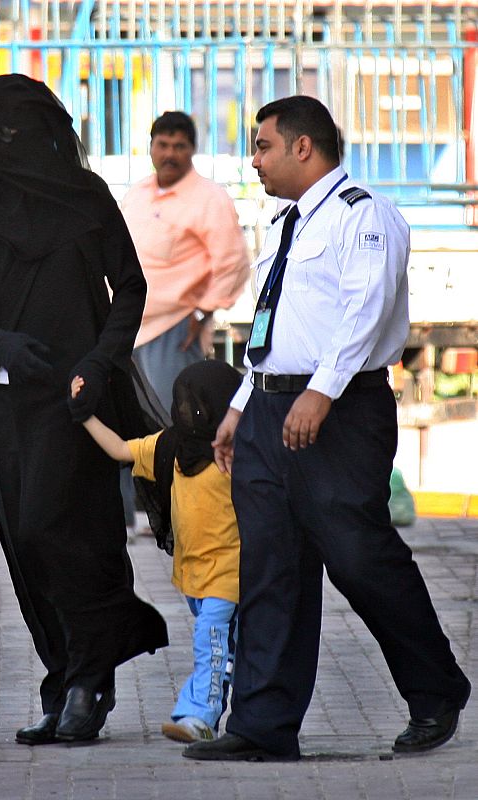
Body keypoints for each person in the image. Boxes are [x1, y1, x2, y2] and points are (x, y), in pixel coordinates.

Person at [184, 96, 471, 762]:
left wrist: (319, 392)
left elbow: (362, 311)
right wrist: (237, 409)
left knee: (357, 557)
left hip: (337, 412)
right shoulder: (285, 223)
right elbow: (273, 328)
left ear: (302, 147)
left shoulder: (361, 214)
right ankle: (261, 725)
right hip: (267, 410)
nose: (253, 160)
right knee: (269, 568)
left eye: (262, 146)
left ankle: (435, 690)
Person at [0, 73, 168, 746]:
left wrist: (97, 361)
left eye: (8, 133)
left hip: (78, 401)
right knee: (24, 543)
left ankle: (90, 678)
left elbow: (131, 289)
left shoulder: (87, 198)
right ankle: (64, 677)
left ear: (43, 135)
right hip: (1, 399)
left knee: (64, 532)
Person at [71, 359, 242, 742]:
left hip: (229, 576)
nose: (187, 412)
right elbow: (119, 450)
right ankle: (236, 712)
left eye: (197, 405)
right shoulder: (170, 446)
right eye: (182, 404)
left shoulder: (234, 455)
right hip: (192, 577)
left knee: (211, 644)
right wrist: (85, 415)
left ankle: (199, 718)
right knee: (226, 648)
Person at [121, 110, 249, 411]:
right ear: (151, 146)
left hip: (175, 329)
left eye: (179, 146)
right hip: (127, 325)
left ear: (192, 149)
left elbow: (234, 263)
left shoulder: (209, 198)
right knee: (135, 426)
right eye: (163, 145)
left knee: (169, 420)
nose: (170, 154)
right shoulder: (138, 193)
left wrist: (203, 311)